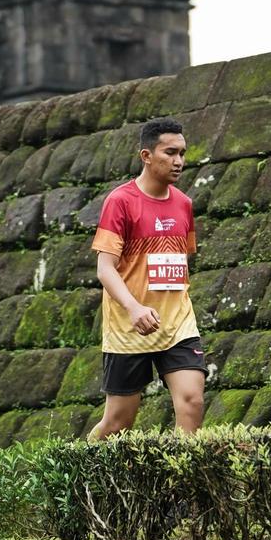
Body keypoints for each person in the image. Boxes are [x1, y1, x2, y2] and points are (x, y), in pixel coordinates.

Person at [88, 118, 207, 438]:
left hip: (177, 323)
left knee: (192, 402)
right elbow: (105, 268)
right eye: (170, 152)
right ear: (146, 155)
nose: (179, 161)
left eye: (182, 153)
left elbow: (180, 262)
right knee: (118, 423)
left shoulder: (184, 205)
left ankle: (183, 482)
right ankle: (80, 474)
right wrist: (134, 307)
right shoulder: (120, 202)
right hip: (129, 326)